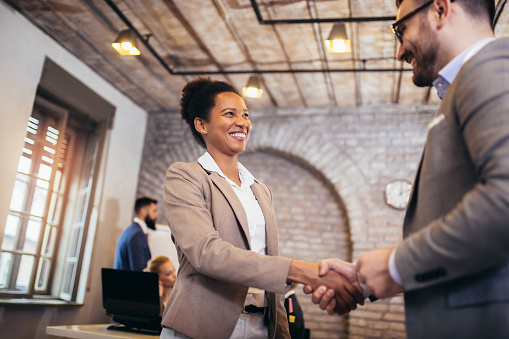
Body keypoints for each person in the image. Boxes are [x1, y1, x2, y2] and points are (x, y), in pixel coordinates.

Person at [308, 0, 509, 338]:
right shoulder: (469, 83)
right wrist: (364, 279)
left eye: (401, 30)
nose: (399, 52)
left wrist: (395, 266)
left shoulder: (491, 66)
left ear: (441, 10)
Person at [160, 77, 365, 339]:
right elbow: (206, 253)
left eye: (245, 115)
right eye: (229, 114)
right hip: (201, 325)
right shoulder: (186, 176)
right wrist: (303, 271)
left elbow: (264, 257)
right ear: (201, 124)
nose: (243, 122)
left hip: (262, 325)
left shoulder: (260, 190)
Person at [114, 197, 158, 271]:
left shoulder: (132, 231)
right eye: (154, 211)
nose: (156, 215)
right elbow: (139, 270)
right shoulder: (137, 235)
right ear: (143, 211)